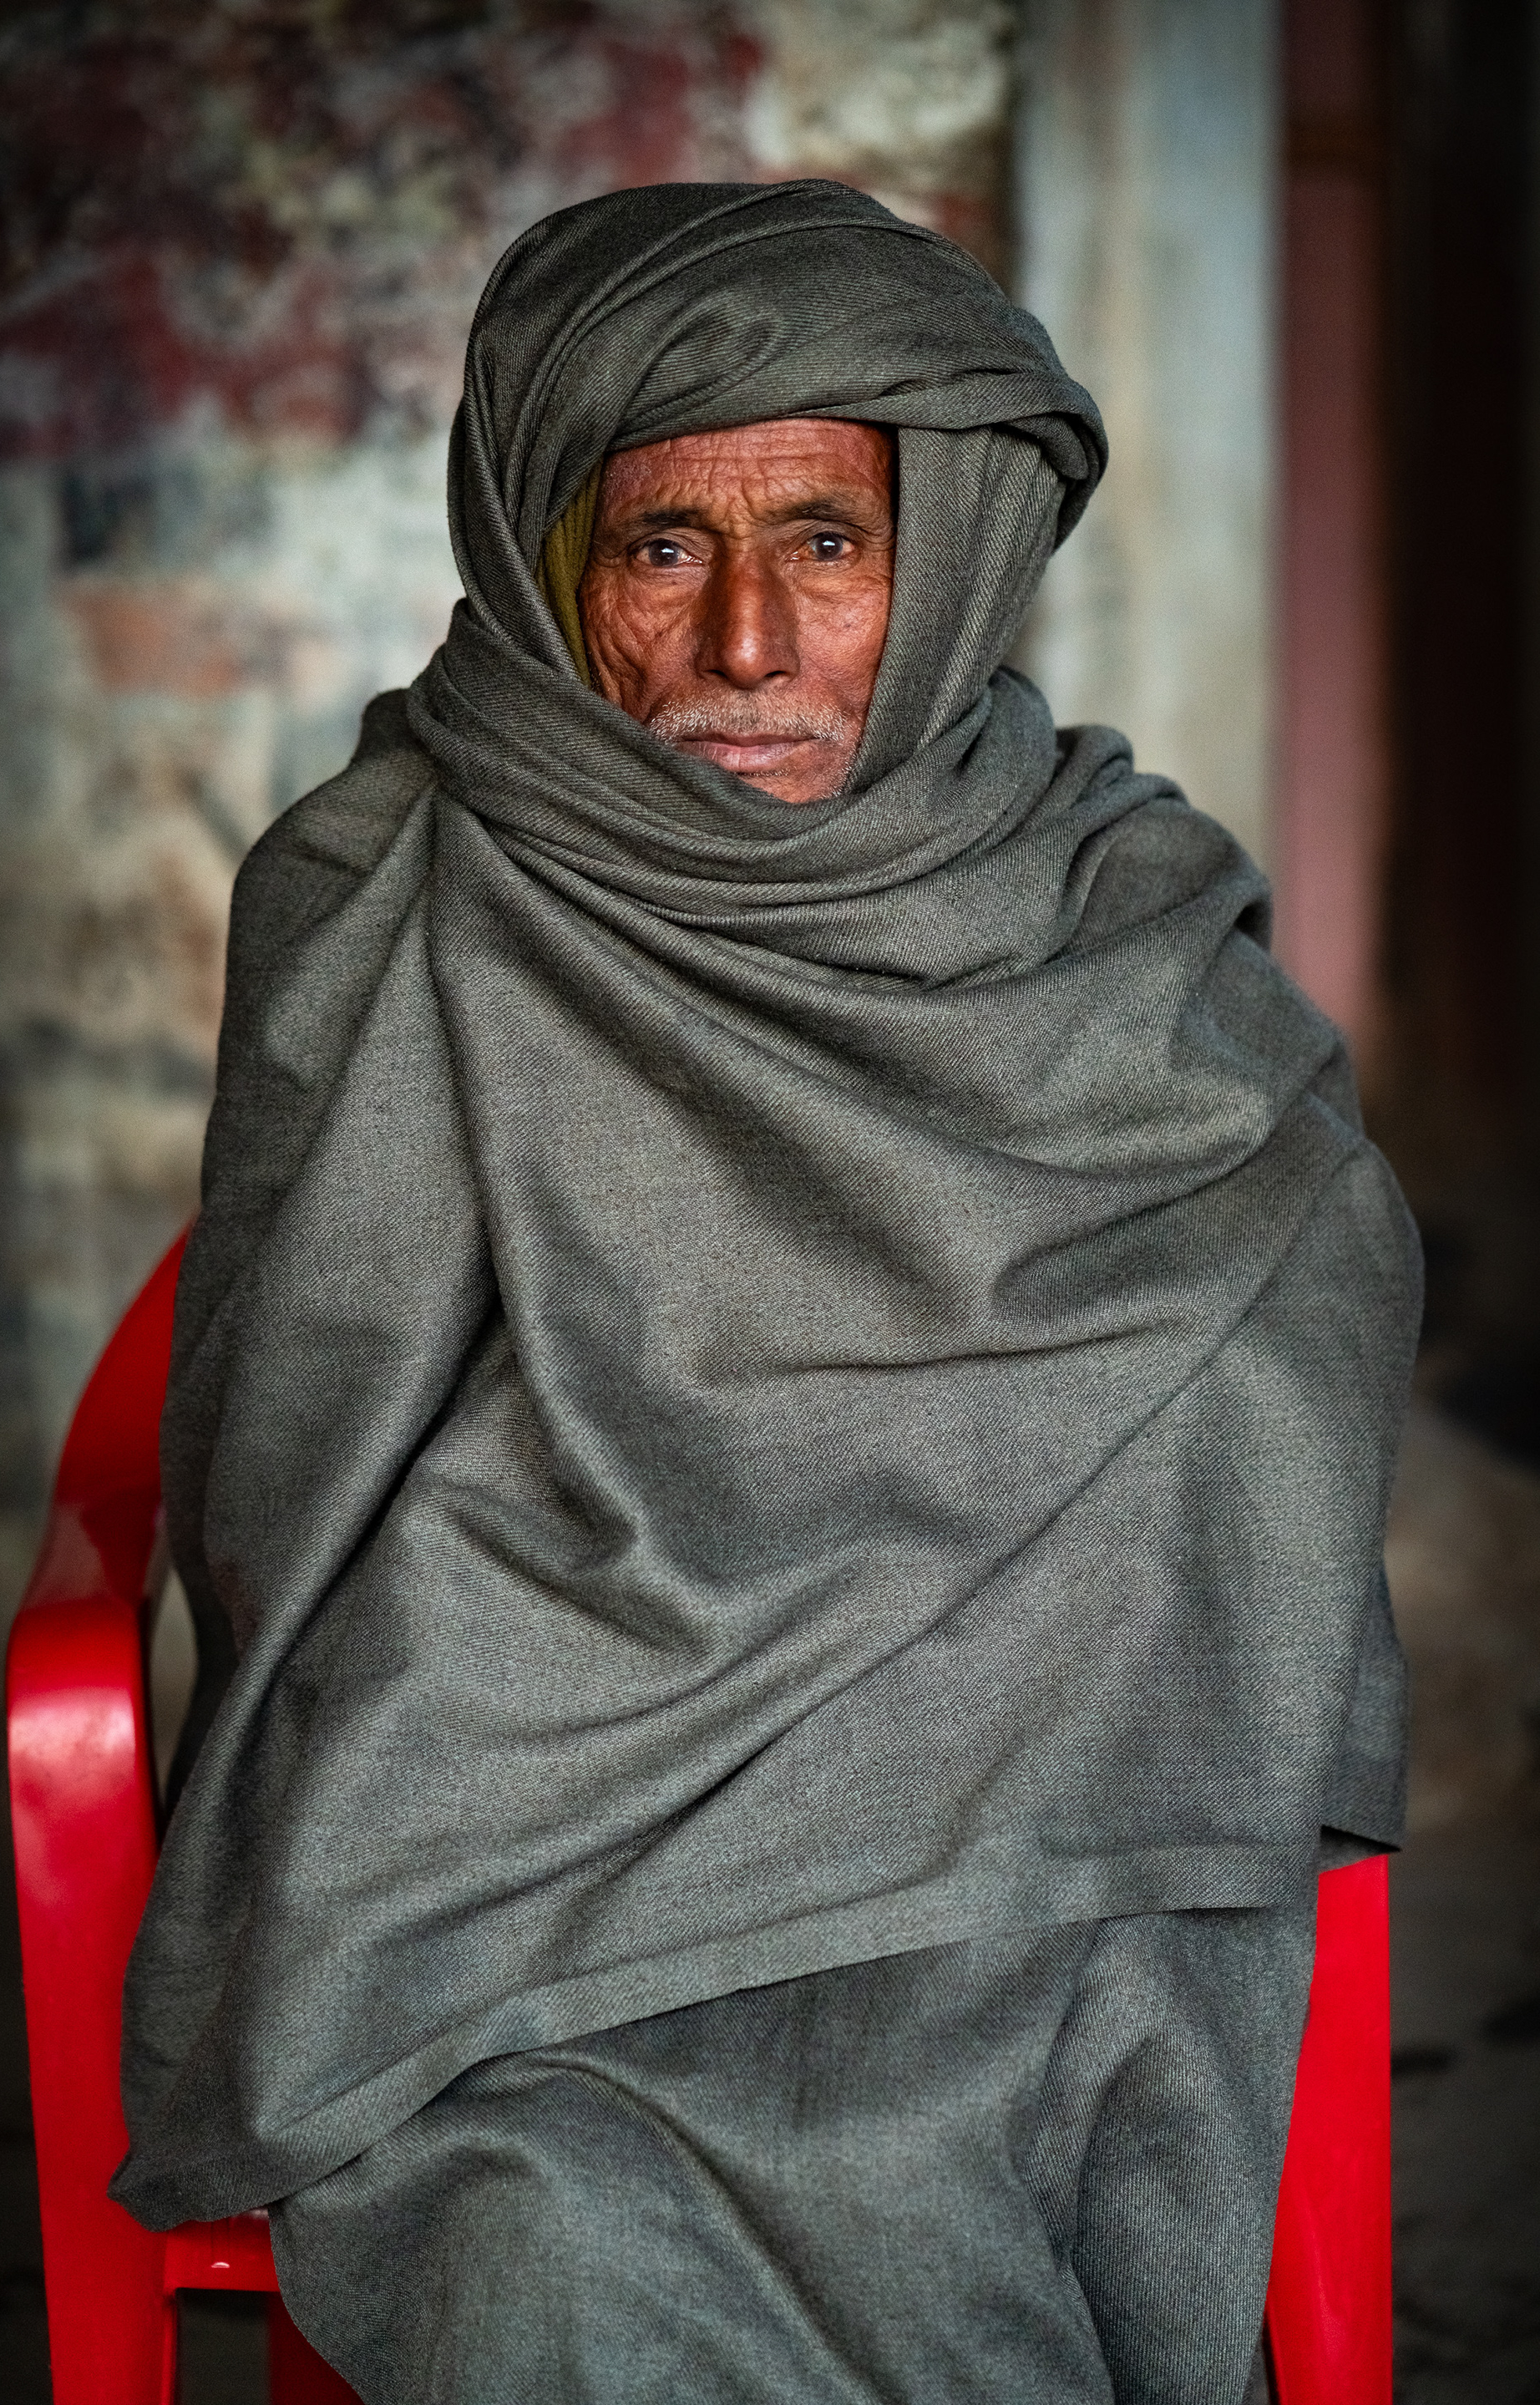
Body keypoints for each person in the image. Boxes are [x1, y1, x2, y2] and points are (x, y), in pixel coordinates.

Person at [113, 182, 1421, 2405]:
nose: (743, 648)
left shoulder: (1121, 926)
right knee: (547, 2255)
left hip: (1040, 1899)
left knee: (1069, 2145)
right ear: (550, 570)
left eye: (826, 541)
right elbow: (295, 1490)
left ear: (957, 565)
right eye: (660, 549)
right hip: (511, 1920)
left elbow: (1264, 1390)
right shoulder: (388, 897)